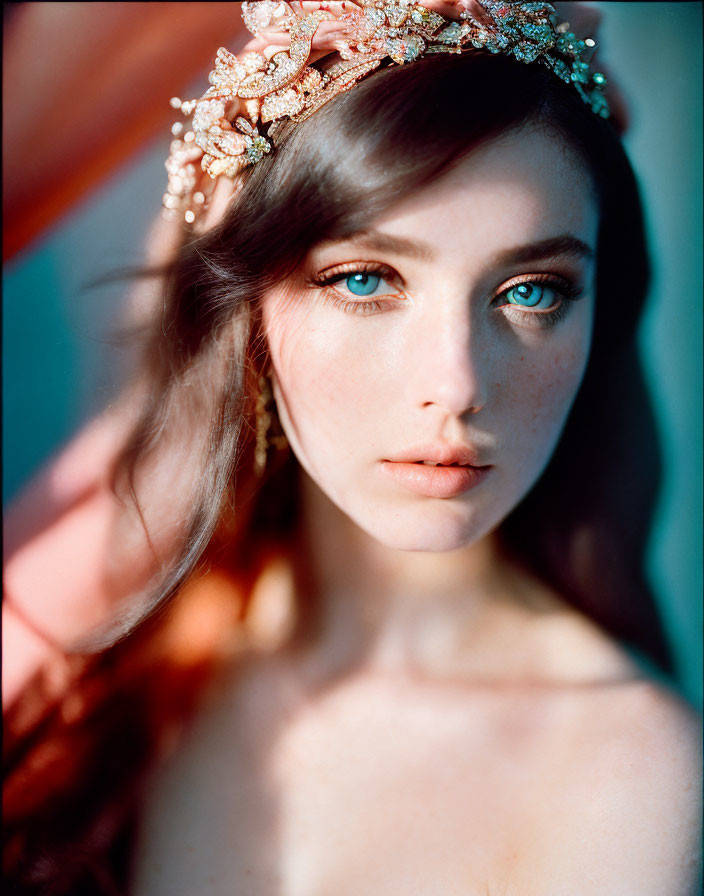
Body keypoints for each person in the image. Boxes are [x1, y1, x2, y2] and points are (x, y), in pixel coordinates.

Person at [3, 2, 700, 893]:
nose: (455, 386)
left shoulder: (626, 768)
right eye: (365, 280)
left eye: (531, 292)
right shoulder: (129, 668)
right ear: (246, 309)